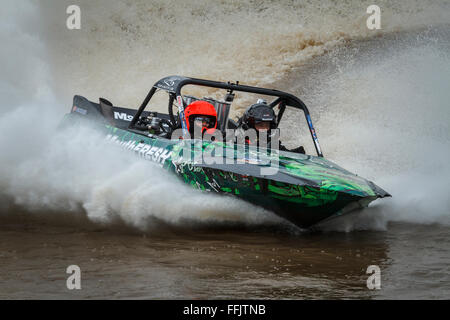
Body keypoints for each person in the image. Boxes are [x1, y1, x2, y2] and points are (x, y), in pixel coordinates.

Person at [238, 101, 305, 154]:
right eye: (260, 125)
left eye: (266, 125)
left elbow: (289, 156)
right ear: (251, 126)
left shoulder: (272, 143)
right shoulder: (238, 140)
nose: (264, 129)